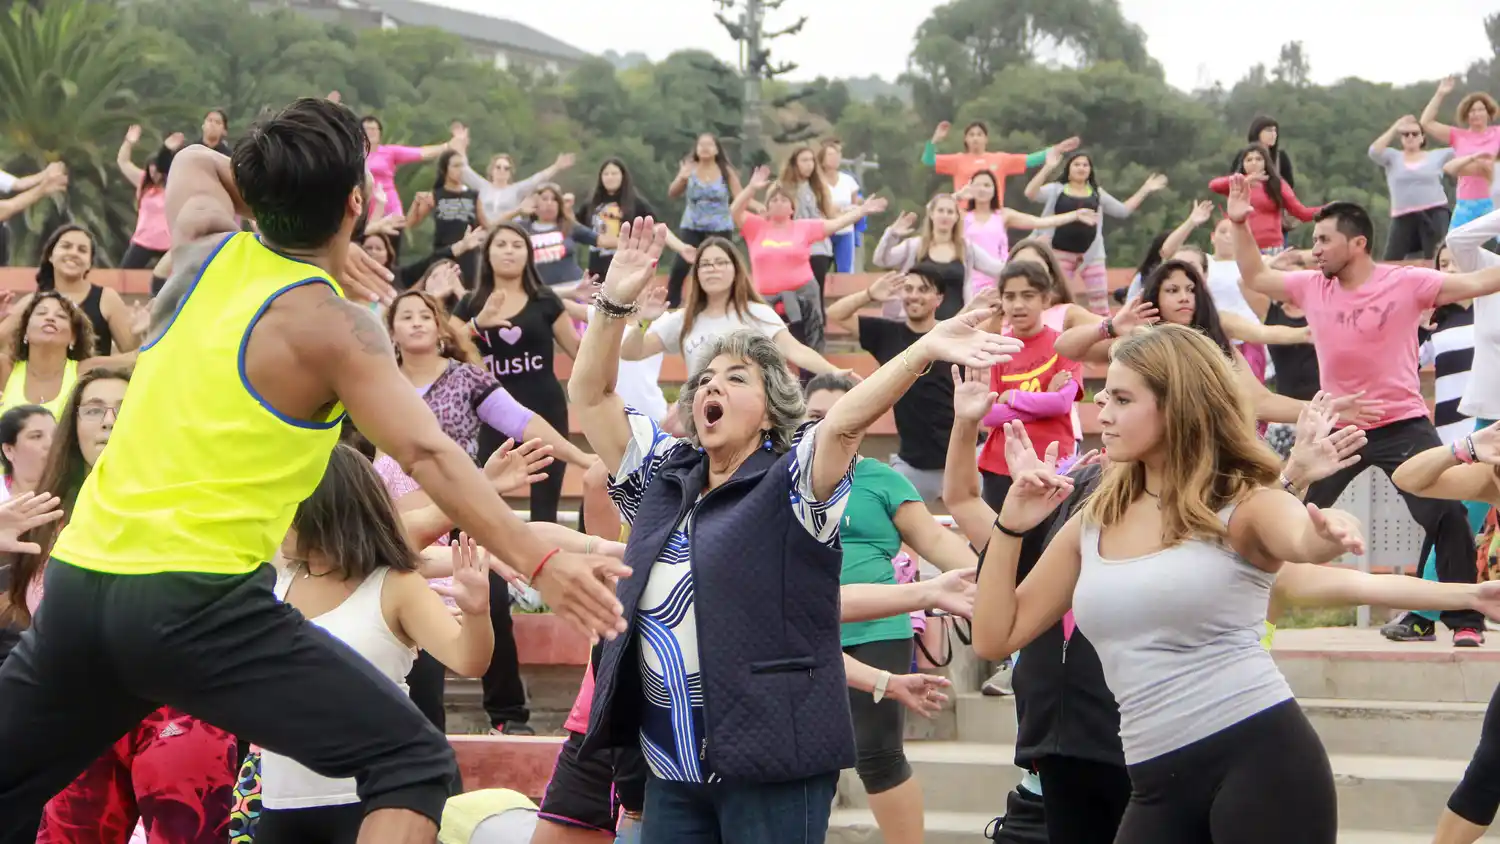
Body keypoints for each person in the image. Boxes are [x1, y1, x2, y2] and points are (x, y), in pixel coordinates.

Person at [0, 96, 629, 841]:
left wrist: (275, 197)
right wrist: (540, 553)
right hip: (192, 601)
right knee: (411, 762)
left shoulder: (204, 246)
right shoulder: (335, 326)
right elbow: (426, 451)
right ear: (358, 205)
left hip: (78, 587)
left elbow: (197, 161)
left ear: (260, 194)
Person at [568, 217, 1017, 844]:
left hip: (772, 759)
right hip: (672, 765)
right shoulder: (665, 474)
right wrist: (612, 304)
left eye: (736, 378)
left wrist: (922, 350)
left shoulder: (792, 476)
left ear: (773, 407)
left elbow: (843, 426)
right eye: (705, 381)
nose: (712, 388)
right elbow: (590, 397)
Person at [975, 324, 1363, 844]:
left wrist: (1326, 537)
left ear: (1176, 405)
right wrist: (1011, 527)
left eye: (1122, 398)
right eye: (1102, 396)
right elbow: (996, 636)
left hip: (1260, 760)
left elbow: (1297, 535)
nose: (1103, 413)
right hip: (1155, 780)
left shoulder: (1241, 502)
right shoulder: (1095, 517)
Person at [1231, 176, 1500, 645]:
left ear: (1357, 243)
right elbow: (1255, 276)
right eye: (1313, 240)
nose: (1314, 249)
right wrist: (1240, 223)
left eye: (1323, 239)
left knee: (1448, 516)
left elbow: (1477, 280)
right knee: (1278, 509)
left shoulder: (1407, 282)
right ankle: (1249, 624)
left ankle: (1466, 621)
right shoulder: (1312, 286)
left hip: (1403, 425)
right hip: (1338, 430)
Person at [0, 367, 240, 844]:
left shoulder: (195, 502)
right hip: (75, 714)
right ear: (75, 427)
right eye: (93, 410)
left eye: (123, 408)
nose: (109, 420)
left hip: (177, 707)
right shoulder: (38, 515)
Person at [256, 446, 496, 842]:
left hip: (374, 801)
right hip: (282, 803)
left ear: (322, 511)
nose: (276, 518)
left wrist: (476, 612)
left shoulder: (394, 586)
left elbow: (469, 660)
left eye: (288, 505)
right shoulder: (276, 579)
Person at [802, 372, 977, 844]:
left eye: (844, 418)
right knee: (798, 755)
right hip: (797, 631)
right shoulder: (777, 479)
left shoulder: (881, 479)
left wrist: (998, 580)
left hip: (878, 630)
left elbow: (938, 539)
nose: (830, 428)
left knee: (877, 754)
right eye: (817, 417)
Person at [826, 270, 958, 504]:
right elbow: (835, 313)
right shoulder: (886, 333)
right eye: (908, 289)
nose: (914, 296)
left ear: (939, 299)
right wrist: (869, 294)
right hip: (912, 464)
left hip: (962, 459)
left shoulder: (952, 334)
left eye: (923, 289)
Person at [622, 238, 844, 376]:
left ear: (735, 270)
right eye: (705, 265)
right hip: (702, 426)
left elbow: (795, 350)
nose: (713, 269)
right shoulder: (683, 319)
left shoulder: (756, 313)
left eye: (721, 263)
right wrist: (644, 322)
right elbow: (631, 352)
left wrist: (834, 371)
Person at [731, 165, 887, 351]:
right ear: (767, 206)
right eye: (774, 200)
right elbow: (734, 211)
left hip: (803, 296)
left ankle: (812, 376)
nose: (778, 202)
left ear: (792, 208)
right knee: (763, 351)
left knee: (809, 347)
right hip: (766, 301)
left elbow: (836, 223)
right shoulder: (756, 227)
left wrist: (861, 211)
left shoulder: (804, 227)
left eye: (783, 200)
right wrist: (752, 188)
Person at [874, 194, 1090, 318]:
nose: (945, 216)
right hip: (915, 321)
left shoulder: (966, 249)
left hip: (955, 321)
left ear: (956, 217)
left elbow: (999, 269)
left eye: (950, 211)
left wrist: (1029, 255)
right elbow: (882, 260)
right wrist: (891, 235)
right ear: (931, 214)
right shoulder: (914, 246)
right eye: (941, 210)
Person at [976, 262, 1083, 509]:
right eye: (1010, 297)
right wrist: (1045, 398)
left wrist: (1012, 396)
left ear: (1046, 300)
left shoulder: (1065, 345)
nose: (1018, 305)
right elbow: (989, 415)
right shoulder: (997, 349)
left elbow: (1062, 403)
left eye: (1028, 295)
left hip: (1052, 462)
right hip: (1000, 464)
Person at [1023, 149, 1168, 315]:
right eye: (1077, 164)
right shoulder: (1057, 190)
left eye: (1085, 165)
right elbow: (1031, 193)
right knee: (1059, 298)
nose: (1081, 168)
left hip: (1091, 254)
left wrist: (1146, 189)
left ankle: (1105, 336)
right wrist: (1048, 167)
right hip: (1059, 252)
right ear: (1068, 169)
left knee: (1100, 301)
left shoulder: (1096, 193)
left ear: (1090, 170)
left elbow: (1123, 210)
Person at [1, 225, 139, 358]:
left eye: (82, 250)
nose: (73, 253)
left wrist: (143, 332)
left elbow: (133, 352)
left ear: (89, 263)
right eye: (66, 246)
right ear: (50, 255)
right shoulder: (31, 302)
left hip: (92, 380)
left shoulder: (107, 299)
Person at [0, 291, 138, 418]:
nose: (50, 318)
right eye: (41, 313)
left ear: (73, 337)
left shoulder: (85, 371)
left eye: (60, 316)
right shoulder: (6, 368)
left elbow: (140, 358)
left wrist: (151, 328)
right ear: (25, 331)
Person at [665, 134, 742, 307]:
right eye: (701, 145)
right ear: (696, 149)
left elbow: (740, 196)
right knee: (680, 267)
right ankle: (670, 306)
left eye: (709, 145)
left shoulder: (725, 171)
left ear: (716, 149)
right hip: (692, 225)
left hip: (720, 227)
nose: (705, 148)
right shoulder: (689, 168)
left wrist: (759, 206)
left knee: (721, 266)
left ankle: (727, 304)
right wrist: (682, 177)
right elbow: (672, 193)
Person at [1369, 114, 1455, 259]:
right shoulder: (1392, 157)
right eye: (1405, 134)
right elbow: (1374, 152)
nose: (1410, 137)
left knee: (1436, 258)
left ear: (1422, 137)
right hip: (1403, 214)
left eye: (1415, 134)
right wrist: (1396, 126)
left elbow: (1464, 149)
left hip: (1434, 212)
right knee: (1392, 260)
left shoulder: (1436, 156)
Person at [1420, 76, 1500, 231]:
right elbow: (1426, 123)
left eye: (1480, 110)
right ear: (1466, 115)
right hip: (1466, 203)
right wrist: (1440, 93)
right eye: (1472, 111)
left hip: (1494, 201)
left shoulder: (1497, 133)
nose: (1476, 114)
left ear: (1488, 113)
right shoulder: (1458, 136)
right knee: (1452, 247)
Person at [921, 120, 1077, 196]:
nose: (975, 138)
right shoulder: (957, 160)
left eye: (979, 135)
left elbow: (1030, 160)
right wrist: (934, 141)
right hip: (963, 216)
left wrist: (1057, 148)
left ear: (986, 139)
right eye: (971, 135)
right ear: (966, 140)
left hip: (993, 215)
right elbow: (928, 161)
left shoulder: (999, 159)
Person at [1210, 145, 1320, 252]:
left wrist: (1329, 209)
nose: (1254, 162)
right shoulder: (1237, 184)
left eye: (1258, 159)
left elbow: (1302, 213)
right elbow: (1214, 185)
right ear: (1243, 164)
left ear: (1265, 162)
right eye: (1249, 160)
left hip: (1271, 248)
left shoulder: (1277, 184)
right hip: (1242, 247)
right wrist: (1246, 180)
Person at [116, 125, 184, 269]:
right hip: (144, 240)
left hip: (168, 243)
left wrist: (169, 149)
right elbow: (123, 162)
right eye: (151, 171)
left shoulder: (173, 186)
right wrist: (128, 142)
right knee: (124, 274)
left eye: (157, 171)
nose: (154, 175)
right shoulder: (144, 184)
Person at [0, 405, 53, 502]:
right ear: (8, 450)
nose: (51, 444)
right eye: (37, 436)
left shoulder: (78, 491)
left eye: (56, 435)